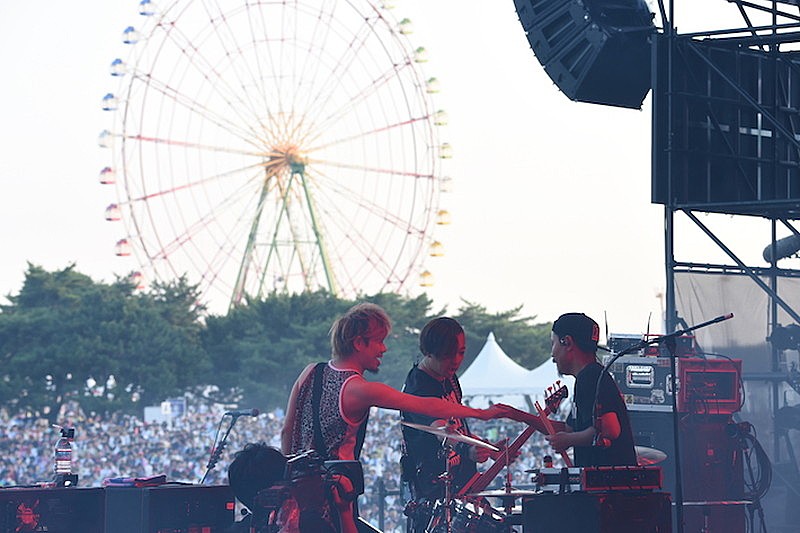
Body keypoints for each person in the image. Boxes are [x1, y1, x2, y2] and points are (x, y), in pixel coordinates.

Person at [281, 303, 518, 533]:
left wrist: (291, 484)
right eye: (379, 341)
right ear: (359, 343)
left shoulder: (310, 371)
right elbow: (425, 405)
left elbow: (286, 433)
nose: (383, 349)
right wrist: (482, 414)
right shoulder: (359, 389)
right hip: (336, 498)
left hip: (297, 500)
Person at [545, 312, 637, 467]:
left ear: (567, 342)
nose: (552, 353)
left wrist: (568, 440)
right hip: (603, 482)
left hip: (609, 485)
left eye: (553, 343)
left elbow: (610, 430)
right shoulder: (588, 377)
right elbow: (569, 430)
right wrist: (517, 415)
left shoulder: (590, 376)